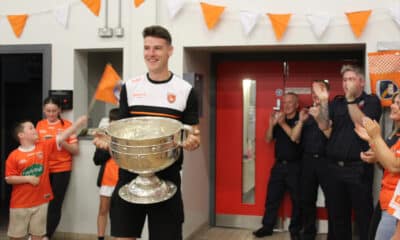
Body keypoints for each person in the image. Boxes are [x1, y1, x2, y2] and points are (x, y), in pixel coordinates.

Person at [93, 25, 200, 240]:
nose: (151, 54)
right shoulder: (130, 87)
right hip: (129, 175)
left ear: (170, 51)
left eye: (158, 48)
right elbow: (120, 130)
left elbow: (193, 134)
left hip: (167, 176)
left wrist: (192, 141)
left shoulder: (185, 90)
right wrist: (106, 140)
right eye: (147, 48)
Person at [312, 64, 382, 240]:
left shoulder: (372, 101)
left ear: (361, 81)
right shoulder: (337, 102)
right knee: (337, 218)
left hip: (358, 168)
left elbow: (364, 124)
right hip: (334, 169)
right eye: (344, 80)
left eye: (350, 79)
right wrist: (323, 102)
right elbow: (324, 125)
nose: (346, 83)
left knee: (363, 216)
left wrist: (351, 101)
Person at [5, 116, 87, 240]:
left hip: (41, 203)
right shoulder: (13, 156)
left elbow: (62, 136)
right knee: (17, 236)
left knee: (38, 235)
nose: (35, 130)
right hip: (20, 205)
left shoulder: (43, 146)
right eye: (31, 128)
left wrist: (77, 125)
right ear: (21, 135)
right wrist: (27, 179)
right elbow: (9, 178)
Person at [253, 92, 302, 240]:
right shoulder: (279, 119)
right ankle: (267, 227)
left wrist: (282, 124)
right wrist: (271, 125)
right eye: (284, 102)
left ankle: (295, 231)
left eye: (290, 102)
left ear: (296, 105)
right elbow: (268, 139)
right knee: (272, 198)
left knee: (297, 200)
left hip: (296, 166)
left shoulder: (301, 119)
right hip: (279, 166)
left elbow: (296, 139)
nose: (286, 105)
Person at [289, 80, 333, 240]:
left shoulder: (333, 110)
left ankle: (333, 234)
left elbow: (331, 135)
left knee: (333, 200)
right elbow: (294, 137)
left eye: (319, 90)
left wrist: (321, 116)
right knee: (307, 199)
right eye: (313, 91)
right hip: (307, 161)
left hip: (326, 162)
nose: (315, 94)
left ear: (326, 92)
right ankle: (309, 234)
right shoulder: (305, 112)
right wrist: (301, 121)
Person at [354, 92, 400, 240]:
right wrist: (373, 143)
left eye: (398, 103)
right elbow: (386, 164)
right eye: (394, 102)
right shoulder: (394, 135)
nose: (393, 106)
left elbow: (394, 166)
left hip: (395, 205)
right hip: (386, 201)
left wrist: (375, 137)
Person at [35, 96, 80, 239]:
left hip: (62, 169)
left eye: (54, 111)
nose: (51, 114)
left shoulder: (67, 125)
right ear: (43, 110)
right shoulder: (40, 125)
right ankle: (37, 233)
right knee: (41, 203)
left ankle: (47, 235)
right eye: (48, 111)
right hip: (43, 169)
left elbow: (75, 150)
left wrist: (62, 141)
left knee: (55, 204)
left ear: (60, 110)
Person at [93, 108, 120, 240]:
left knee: (120, 214)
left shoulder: (129, 138)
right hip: (107, 181)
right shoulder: (103, 138)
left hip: (123, 182)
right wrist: (107, 145)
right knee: (103, 210)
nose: (114, 126)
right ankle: (100, 237)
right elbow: (96, 160)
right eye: (112, 122)